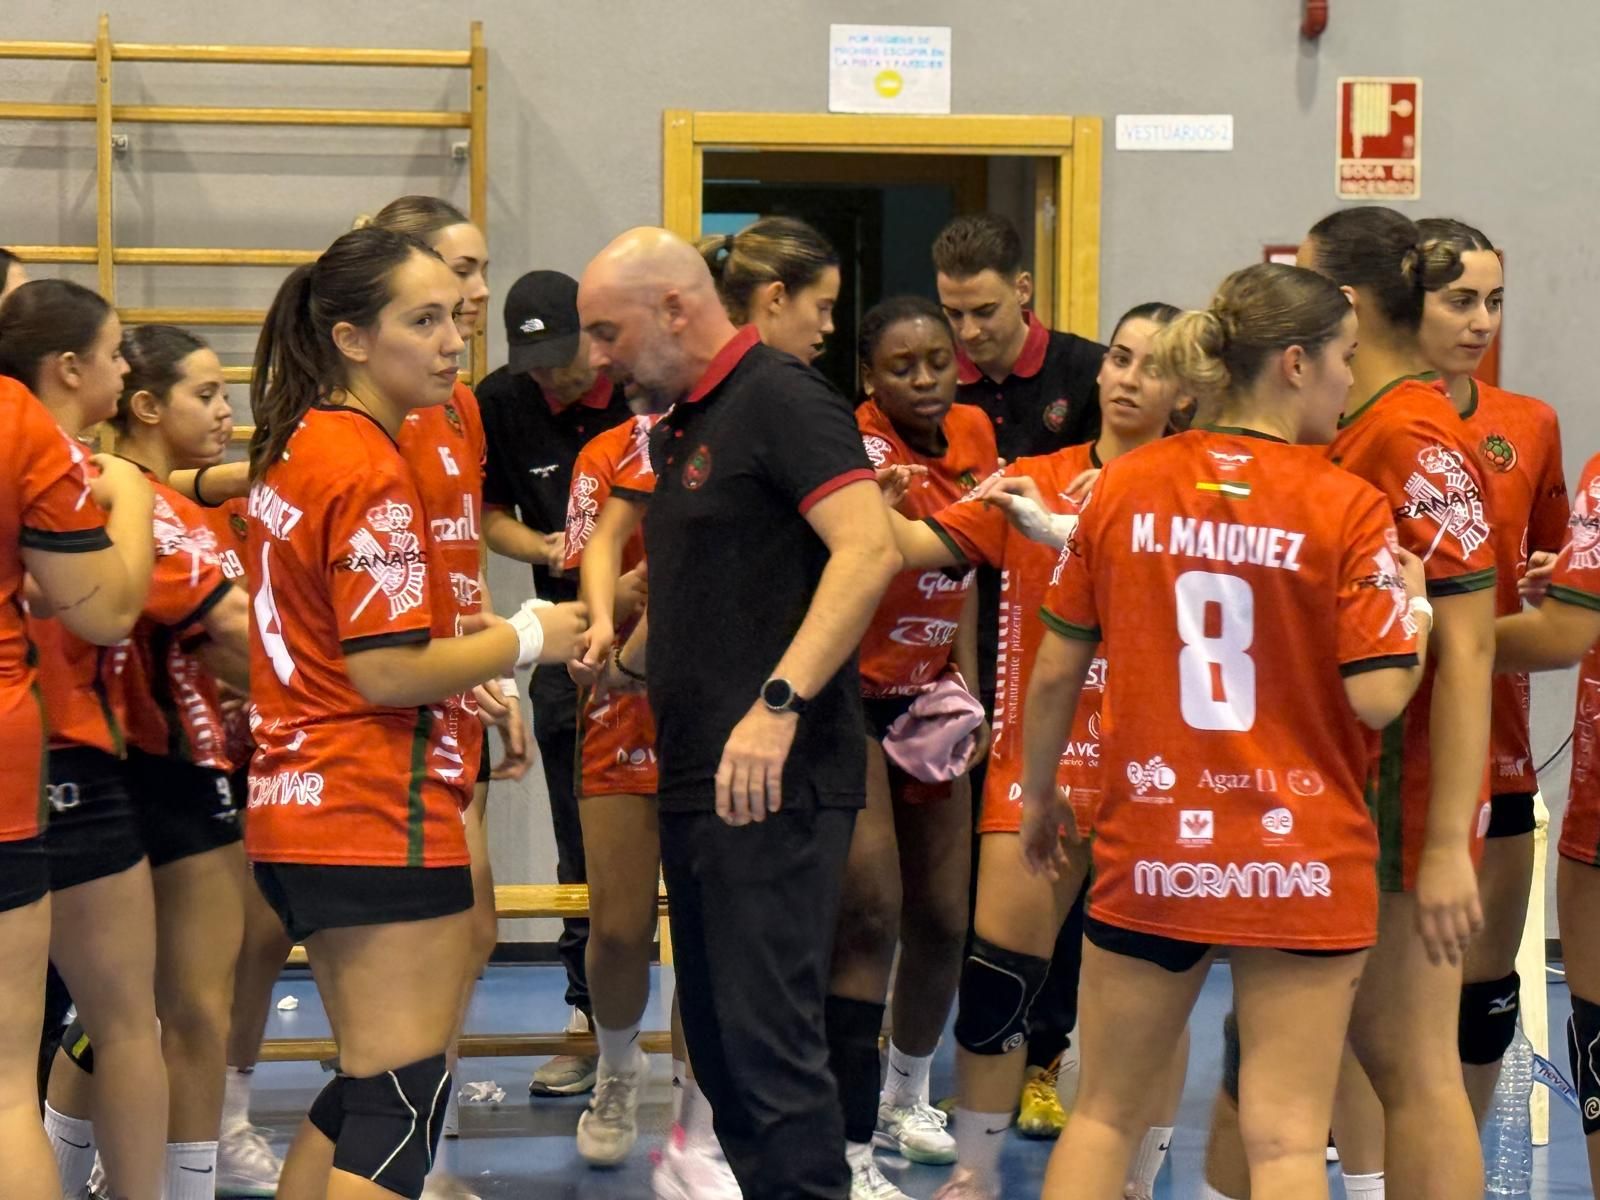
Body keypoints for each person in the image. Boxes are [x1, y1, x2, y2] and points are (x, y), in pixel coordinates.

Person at [1028, 262, 1431, 1199]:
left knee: (1103, 1114)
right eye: (1341, 358)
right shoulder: (1346, 506)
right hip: (1304, 852)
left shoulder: (1125, 487)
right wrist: (1417, 618)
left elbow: (1055, 670)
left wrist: (1044, 791)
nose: (1347, 379)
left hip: (1157, 838)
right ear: (1293, 363)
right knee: (1288, 1144)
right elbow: (1377, 697)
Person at [241, 226, 586, 1200]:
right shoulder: (367, 467)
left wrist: (476, 651)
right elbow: (388, 671)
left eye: (454, 316)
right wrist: (531, 637)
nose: (452, 341)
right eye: (423, 319)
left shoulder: (305, 440)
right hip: (370, 805)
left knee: (367, 1088)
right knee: (399, 1098)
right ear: (352, 338)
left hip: (303, 800)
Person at [578, 226, 899, 1200]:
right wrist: (618, 660)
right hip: (693, 777)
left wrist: (777, 703)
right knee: (719, 1057)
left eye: (607, 332)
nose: (598, 359)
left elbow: (868, 550)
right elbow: (706, 588)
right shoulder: (683, 422)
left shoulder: (783, 398)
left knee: (768, 1054)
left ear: (675, 308)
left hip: (774, 781)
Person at [1204, 208, 1496, 1200]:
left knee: (1410, 1066)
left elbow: (1467, 643)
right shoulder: (1362, 425)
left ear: (1351, 302)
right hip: (1334, 792)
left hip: (1398, 803)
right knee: (1288, 1060)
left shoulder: (1405, 434)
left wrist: (1448, 837)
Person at [872, 302, 1184, 1200]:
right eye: (1119, 358)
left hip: (1156, 775)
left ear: (1187, 392)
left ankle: (1137, 1179)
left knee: (1145, 1004)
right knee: (1000, 982)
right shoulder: (1031, 477)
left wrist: (1068, 533)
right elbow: (911, 548)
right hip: (1037, 768)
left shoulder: (1193, 489)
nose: (1127, 378)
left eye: (1151, 367)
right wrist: (869, 513)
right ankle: (975, 1170)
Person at [43, 323, 254, 1200]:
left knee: (131, 1012)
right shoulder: (118, 493)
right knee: (179, 1011)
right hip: (151, 769)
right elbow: (231, 632)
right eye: (206, 393)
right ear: (141, 404)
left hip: (175, 764)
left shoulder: (159, 494)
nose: (225, 411)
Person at [825, 296, 997, 1200]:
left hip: (934, 695)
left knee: (944, 917)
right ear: (870, 377)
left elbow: (963, 565)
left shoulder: (974, 432)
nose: (926, 378)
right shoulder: (853, 449)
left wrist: (968, 688)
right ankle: (847, 1147)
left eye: (938, 360)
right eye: (903, 366)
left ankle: (906, 1096)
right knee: (872, 912)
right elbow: (861, 563)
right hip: (851, 697)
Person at [2, 279, 170, 1200]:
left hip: (50, 758)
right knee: (120, 1019)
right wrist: (140, 502)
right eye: (113, 352)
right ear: (68, 367)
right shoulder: (56, 459)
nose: (122, 366)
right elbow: (111, 608)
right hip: (52, 754)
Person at [1414, 217, 1569, 1122]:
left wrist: (1551, 578)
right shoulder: (1359, 421)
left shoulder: (1528, 425)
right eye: (1460, 300)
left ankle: (1457, 1156)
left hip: (1495, 741)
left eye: (1495, 302)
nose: (1482, 321)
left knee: (1485, 994)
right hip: (1382, 733)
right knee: (1383, 990)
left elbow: (1550, 564)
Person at [477, 269, 636, 1095]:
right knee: (582, 843)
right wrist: (546, 550)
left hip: (660, 632)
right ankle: (587, 1018)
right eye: (533, 363)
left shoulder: (639, 393)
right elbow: (489, 511)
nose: (549, 376)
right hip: (567, 636)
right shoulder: (500, 400)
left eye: (563, 359)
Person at [1493, 448, 1600, 1197]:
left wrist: (1434, 634)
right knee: (1594, 1035)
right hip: (1596, 819)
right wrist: (1569, 582)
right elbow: (1568, 625)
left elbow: (1561, 637)